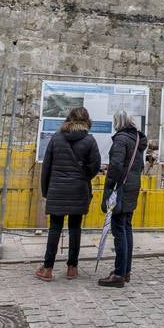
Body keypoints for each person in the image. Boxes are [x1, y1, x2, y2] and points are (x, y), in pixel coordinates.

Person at [36, 106, 101, 281]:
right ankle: (72, 267)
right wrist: (83, 176)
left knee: (55, 228)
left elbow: (47, 167)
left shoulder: (57, 138)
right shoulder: (89, 141)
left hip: (57, 188)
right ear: (86, 120)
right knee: (75, 228)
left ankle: (48, 268)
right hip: (78, 189)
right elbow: (95, 166)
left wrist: (46, 190)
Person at [98, 110, 147, 288]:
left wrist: (110, 186)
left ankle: (119, 274)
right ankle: (125, 270)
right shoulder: (136, 140)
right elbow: (138, 166)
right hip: (132, 187)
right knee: (126, 227)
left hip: (120, 189)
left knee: (119, 230)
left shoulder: (121, 139)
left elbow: (116, 166)